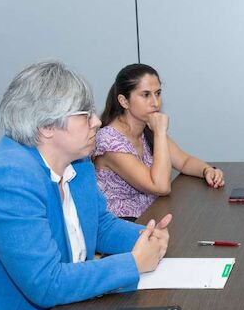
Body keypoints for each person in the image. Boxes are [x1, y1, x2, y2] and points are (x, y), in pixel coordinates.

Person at [0, 61, 172, 310]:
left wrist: (146, 237)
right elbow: (46, 283)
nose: (96, 121)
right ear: (46, 127)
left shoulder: (77, 163)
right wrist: (134, 262)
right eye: (84, 115)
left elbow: (100, 225)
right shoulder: (8, 179)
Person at [94, 64, 224, 220]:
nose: (155, 103)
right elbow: (161, 187)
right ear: (124, 101)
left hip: (152, 212)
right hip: (121, 223)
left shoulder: (146, 126)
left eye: (158, 93)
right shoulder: (109, 141)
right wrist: (160, 132)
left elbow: (184, 161)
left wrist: (207, 170)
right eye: (146, 95)